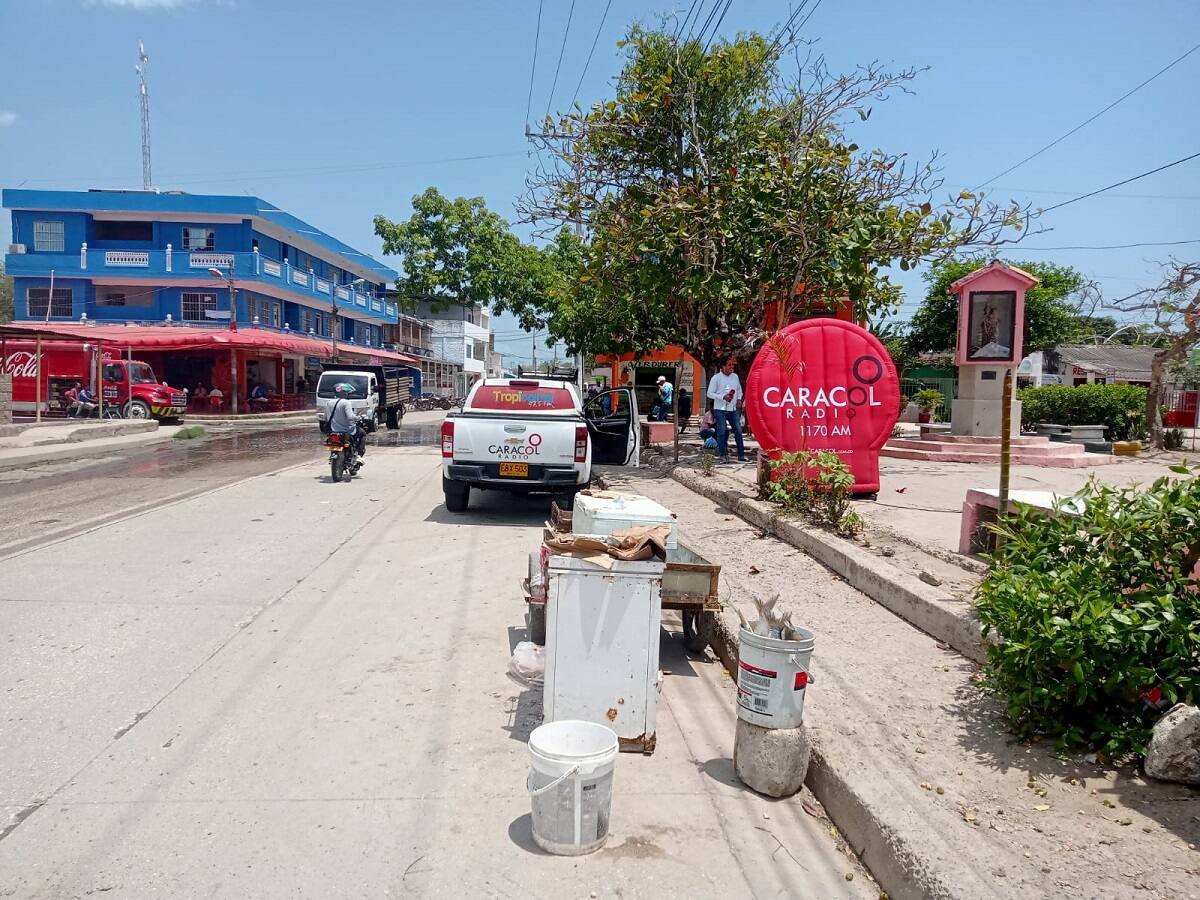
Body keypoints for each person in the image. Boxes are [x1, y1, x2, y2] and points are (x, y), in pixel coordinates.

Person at [706, 357, 746, 463]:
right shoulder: (716, 378)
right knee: (722, 432)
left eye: (732, 365)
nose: (731, 367)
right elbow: (709, 393)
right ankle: (722, 455)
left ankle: (741, 455)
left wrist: (738, 399)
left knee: (738, 431)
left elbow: (739, 390)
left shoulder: (735, 377)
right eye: (729, 365)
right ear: (723, 367)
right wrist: (722, 397)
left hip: (732, 409)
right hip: (720, 409)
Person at [328, 382, 366, 461]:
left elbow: (326, 417)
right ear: (343, 393)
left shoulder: (329, 403)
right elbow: (350, 417)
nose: (348, 394)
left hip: (333, 430)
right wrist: (359, 418)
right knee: (363, 434)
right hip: (347, 431)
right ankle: (359, 455)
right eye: (347, 393)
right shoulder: (346, 402)